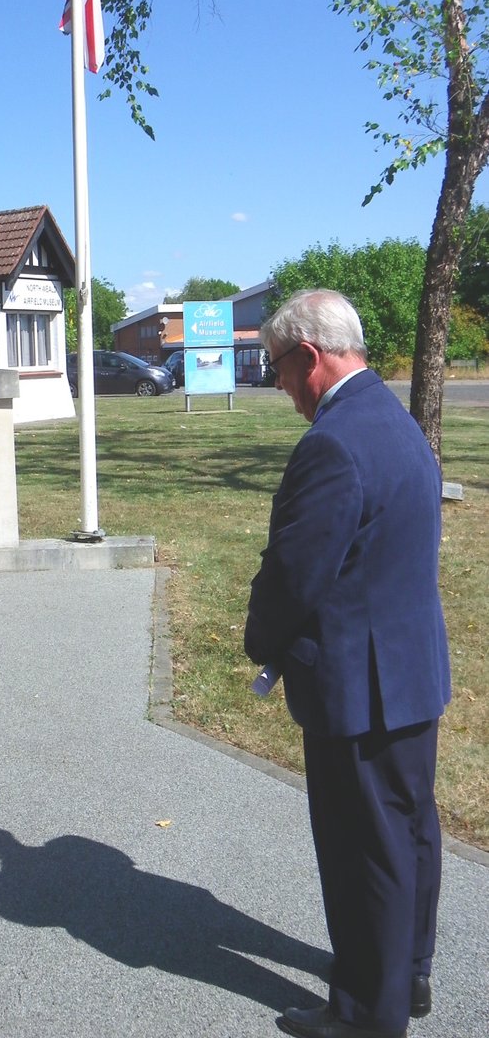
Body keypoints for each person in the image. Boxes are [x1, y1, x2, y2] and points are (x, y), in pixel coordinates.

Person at [244, 289, 451, 1038]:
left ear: (310, 357)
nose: (277, 385)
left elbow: (296, 573)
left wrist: (259, 639)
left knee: (364, 849)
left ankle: (367, 1014)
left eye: (277, 368)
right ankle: (409, 975)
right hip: (409, 672)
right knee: (409, 835)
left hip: (358, 685)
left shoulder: (332, 443)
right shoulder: (397, 422)